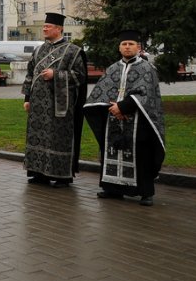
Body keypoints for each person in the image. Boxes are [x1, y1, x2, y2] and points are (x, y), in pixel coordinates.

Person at [84, 30, 165, 206]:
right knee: (112, 149)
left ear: (138, 47)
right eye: (124, 44)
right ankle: (112, 188)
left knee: (142, 154)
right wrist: (112, 108)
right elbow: (101, 92)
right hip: (113, 119)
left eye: (131, 44)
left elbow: (145, 94)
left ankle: (145, 192)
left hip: (139, 120)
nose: (127, 47)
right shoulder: (113, 68)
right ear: (119, 48)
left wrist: (122, 107)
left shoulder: (147, 68)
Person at [22, 13, 88, 188]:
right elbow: (30, 74)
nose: (44, 29)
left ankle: (61, 176)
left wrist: (56, 74)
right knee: (38, 137)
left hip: (60, 105)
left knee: (58, 139)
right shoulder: (38, 50)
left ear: (59, 29)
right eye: (44, 26)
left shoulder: (72, 51)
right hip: (37, 105)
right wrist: (27, 98)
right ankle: (39, 174)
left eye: (48, 26)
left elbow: (80, 76)